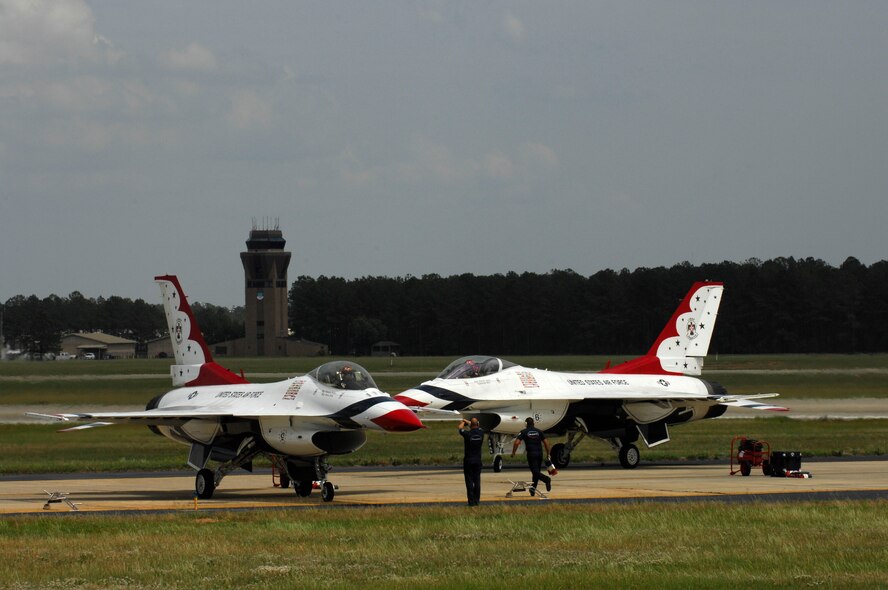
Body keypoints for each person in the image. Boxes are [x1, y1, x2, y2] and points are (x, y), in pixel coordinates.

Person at [511, 417, 552, 495]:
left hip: (531, 454)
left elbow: (516, 443)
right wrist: (548, 453)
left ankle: (546, 479)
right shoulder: (539, 431)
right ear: (534, 423)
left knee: (535, 472)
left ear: (526, 424)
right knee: (536, 472)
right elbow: (546, 443)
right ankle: (533, 490)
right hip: (540, 454)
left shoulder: (523, 432)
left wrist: (513, 453)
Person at [458, 417, 484, 506]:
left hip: (469, 460)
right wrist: (469, 422)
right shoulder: (481, 433)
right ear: (478, 424)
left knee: (469, 482)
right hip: (477, 460)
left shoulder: (467, 434)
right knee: (477, 481)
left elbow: (460, 429)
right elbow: (475, 425)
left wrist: (463, 422)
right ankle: (477, 501)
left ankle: (471, 501)